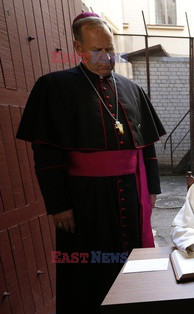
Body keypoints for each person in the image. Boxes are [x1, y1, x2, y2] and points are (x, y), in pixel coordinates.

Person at [16, 12, 166, 313]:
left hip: (131, 191)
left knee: (132, 263)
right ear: (78, 48)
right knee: (88, 270)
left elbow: (146, 146)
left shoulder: (132, 89)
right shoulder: (54, 86)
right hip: (85, 198)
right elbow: (46, 153)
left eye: (110, 49)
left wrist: (150, 191)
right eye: (97, 50)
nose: (106, 57)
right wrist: (58, 205)